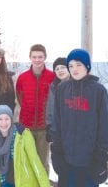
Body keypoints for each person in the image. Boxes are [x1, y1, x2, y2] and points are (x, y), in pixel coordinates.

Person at [52, 48, 108, 187]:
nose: (75, 69)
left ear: (87, 66)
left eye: (79, 65)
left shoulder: (98, 91)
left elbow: (104, 126)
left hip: (89, 162)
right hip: (66, 160)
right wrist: (56, 152)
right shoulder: (62, 89)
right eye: (71, 65)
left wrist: (100, 157)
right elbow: (57, 122)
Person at [15, 44, 55, 172]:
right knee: (28, 161)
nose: (37, 60)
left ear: (45, 57)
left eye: (40, 57)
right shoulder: (22, 78)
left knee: (42, 162)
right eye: (34, 57)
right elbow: (20, 98)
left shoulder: (52, 77)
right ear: (30, 58)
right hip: (27, 127)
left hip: (44, 127)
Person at [0, 105, 50, 187]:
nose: (3, 123)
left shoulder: (23, 135)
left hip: (23, 182)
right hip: (4, 182)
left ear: (11, 120)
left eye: (7, 119)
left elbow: (35, 161)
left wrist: (45, 185)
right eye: (0, 119)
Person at [45, 57, 70, 186]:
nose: (60, 71)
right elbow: (50, 108)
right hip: (58, 133)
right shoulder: (54, 86)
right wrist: (49, 126)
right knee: (60, 164)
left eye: (63, 67)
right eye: (57, 69)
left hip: (72, 133)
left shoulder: (74, 84)